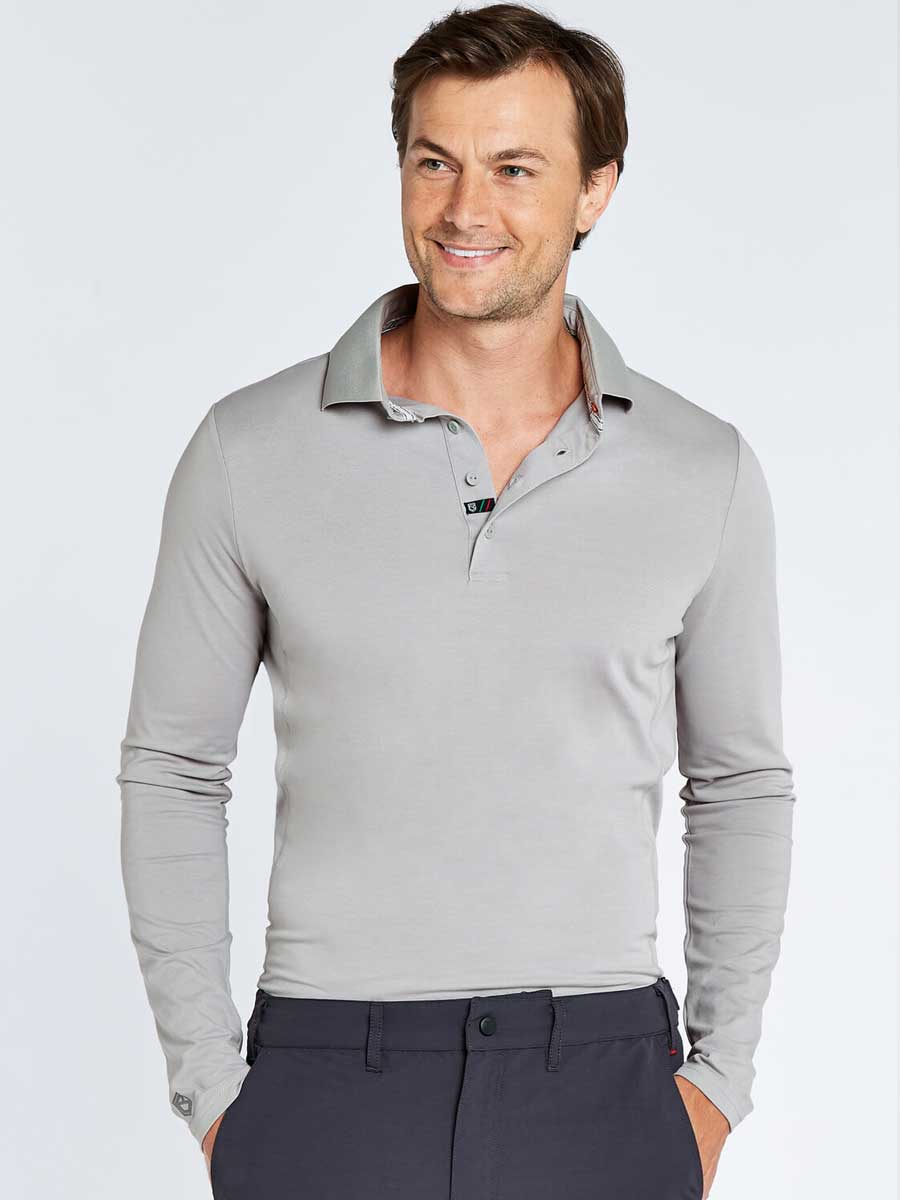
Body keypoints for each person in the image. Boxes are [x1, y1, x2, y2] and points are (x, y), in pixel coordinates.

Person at [117, 5, 795, 1198]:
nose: (464, 208)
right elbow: (174, 766)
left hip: (603, 1076)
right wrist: (216, 1092)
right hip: (327, 1075)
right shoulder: (248, 451)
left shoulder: (704, 471)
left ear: (596, 191)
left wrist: (716, 1085)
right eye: (435, 161)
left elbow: (739, 782)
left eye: (515, 168)